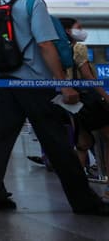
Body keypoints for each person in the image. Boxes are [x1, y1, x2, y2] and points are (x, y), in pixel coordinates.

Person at [0, 0, 108, 215]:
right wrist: (63, 83)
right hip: (34, 82)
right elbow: (45, 45)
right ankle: (84, 201)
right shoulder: (33, 3)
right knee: (57, 142)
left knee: (0, 139)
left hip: (6, 82)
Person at [59, 18, 109, 197]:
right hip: (88, 99)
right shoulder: (78, 48)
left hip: (68, 101)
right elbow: (88, 77)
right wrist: (105, 96)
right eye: (78, 27)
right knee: (107, 137)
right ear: (67, 30)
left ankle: (78, 190)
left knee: (82, 143)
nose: (81, 30)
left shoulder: (57, 49)